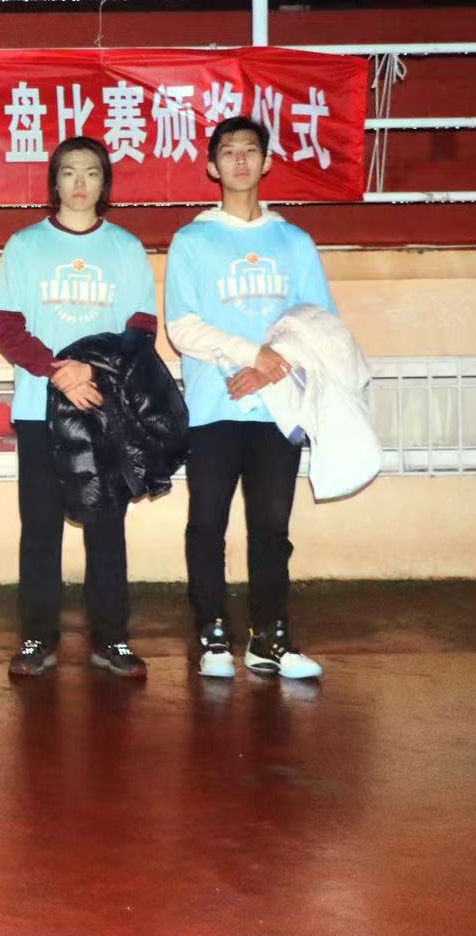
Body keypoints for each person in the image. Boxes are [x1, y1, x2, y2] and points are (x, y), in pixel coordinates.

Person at [165, 116, 334, 680]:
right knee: (206, 523)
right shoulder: (192, 241)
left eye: (250, 150)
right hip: (213, 408)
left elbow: (317, 325)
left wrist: (269, 369)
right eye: (228, 151)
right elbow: (183, 327)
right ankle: (213, 632)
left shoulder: (294, 242)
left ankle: (270, 637)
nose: (239, 160)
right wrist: (249, 354)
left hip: (278, 408)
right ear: (212, 166)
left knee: (271, 529)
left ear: (267, 162)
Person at [0, 136, 159, 678]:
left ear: (104, 182)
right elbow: (6, 327)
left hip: (104, 409)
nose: (80, 183)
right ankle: (37, 638)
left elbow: (141, 329)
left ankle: (112, 640)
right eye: (69, 172)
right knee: (41, 528)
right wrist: (58, 371)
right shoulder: (25, 246)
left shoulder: (125, 248)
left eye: (91, 172)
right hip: (40, 409)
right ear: (54, 182)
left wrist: (94, 370)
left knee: (107, 528)